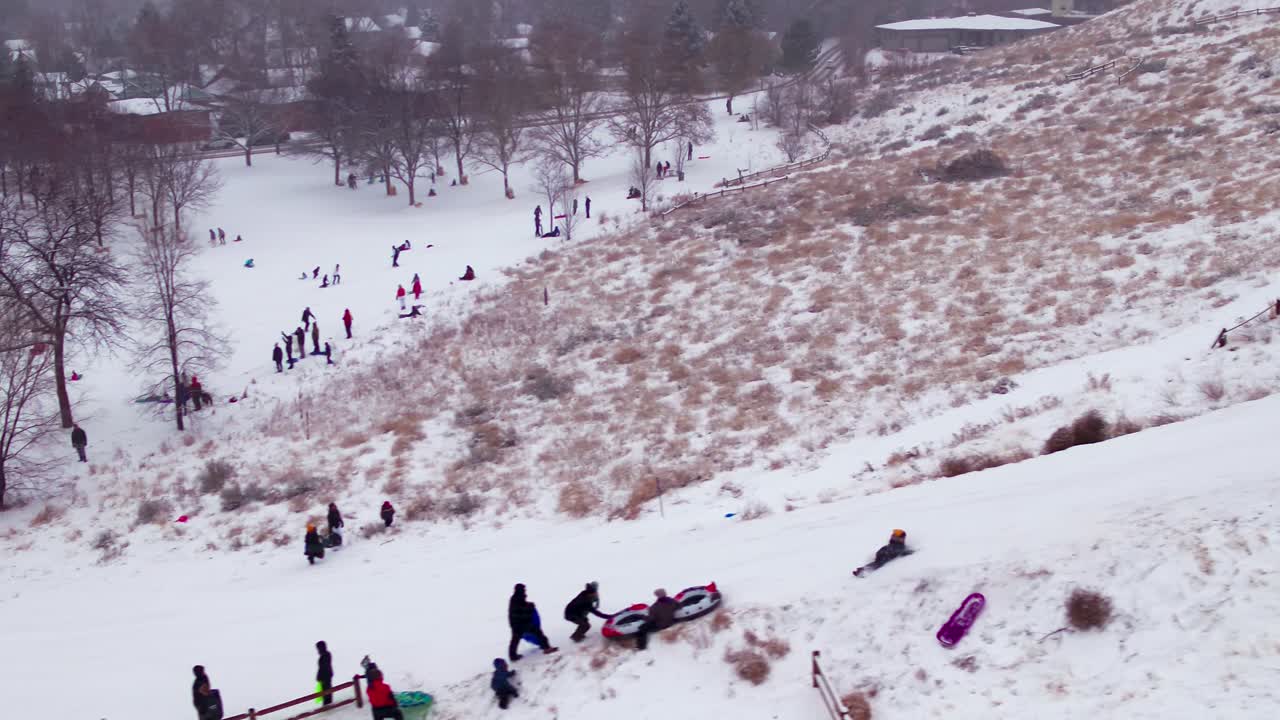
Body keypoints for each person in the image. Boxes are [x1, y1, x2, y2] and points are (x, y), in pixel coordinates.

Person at [508, 583, 557, 661]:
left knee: (515, 640)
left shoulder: (516, 598)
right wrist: (530, 607)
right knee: (538, 632)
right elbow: (519, 612)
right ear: (520, 590)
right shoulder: (517, 598)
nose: (525, 590)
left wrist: (528, 605)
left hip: (516, 624)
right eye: (523, 589)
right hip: (521, 624)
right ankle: (547, 648)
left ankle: (513, 656)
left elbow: (521, 608)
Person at [316, 641, 334, 706]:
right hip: (325, 677)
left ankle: (327, 706)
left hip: (326, 678)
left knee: (326, 693)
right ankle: (327, 705)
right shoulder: (324, 655)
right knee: (325, 693)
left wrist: (321, 677)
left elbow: (324, 668)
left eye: (318, 648)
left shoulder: (325, 655)